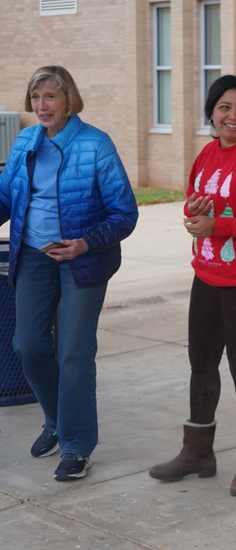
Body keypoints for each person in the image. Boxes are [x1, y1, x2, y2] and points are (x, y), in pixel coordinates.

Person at [149, 75, 236, 497]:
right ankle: (198, 453)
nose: (234, 116)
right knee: (201, 363)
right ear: (212, 111)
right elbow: (196, 207)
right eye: (226, 107)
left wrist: (219, 224)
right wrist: (194, 213)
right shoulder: (208, 154)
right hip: (209, 272)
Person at [0, 65, 138, 480]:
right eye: (36, 97)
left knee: (74, 353)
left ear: (68, 100)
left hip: (83, 259)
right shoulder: (26, 140)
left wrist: (85, 243)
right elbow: (6, 198)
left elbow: (124, 213)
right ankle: (56, 420)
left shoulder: (96, 144)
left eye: (50, 97)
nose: (42, 106)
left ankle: (77, 445)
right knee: (27, 344)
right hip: (34, 255)